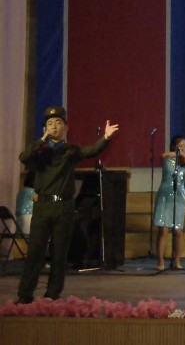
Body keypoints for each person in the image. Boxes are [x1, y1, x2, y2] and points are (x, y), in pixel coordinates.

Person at [16, 106, 119, 304]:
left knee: (59, 253)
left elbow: (91, 150)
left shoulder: (71, 151)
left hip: (63, 208)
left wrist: (105, 138)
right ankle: (25, 294)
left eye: (58, 123)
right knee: (35, 252)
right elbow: (24, 157)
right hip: (43, 207)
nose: (54, 127)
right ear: (44, 128)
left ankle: (52, 295)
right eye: (50, 123)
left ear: (66, 127)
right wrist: (42, 139)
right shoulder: (40, 151)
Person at [152, 135, 185, 270]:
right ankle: (160, 261)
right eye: (181, 145)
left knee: (178, 230)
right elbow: (162, 155)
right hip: (165, 195)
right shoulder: (168, 158)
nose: (184, 148)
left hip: (179, 196)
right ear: (175, 147)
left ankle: (177, 260)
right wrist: (179, 154)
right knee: (163, 229)